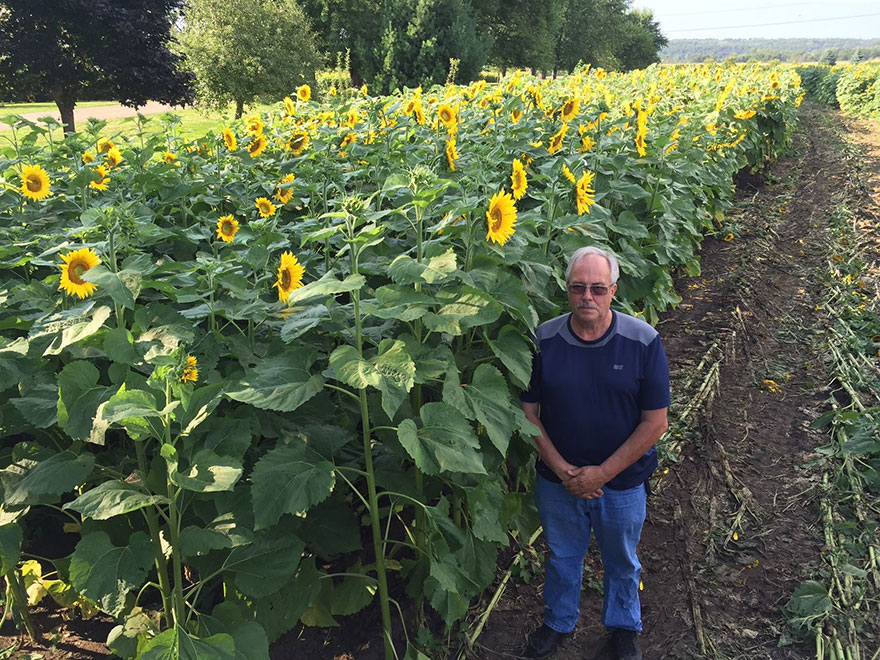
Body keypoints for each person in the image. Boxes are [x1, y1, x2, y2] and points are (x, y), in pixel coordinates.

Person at [520, 246, 670, 660]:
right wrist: (563, 469)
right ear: (567, 290)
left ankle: (623, 628)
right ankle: (558, 621)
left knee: (621, 557)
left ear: (613, 291)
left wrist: (600, 474)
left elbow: (656, 423)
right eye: (578, 287)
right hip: (558, 480)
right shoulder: (544, 339)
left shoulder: (642, 341)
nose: (588, 296)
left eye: (598, 289)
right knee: (562, 555)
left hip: (620, 482)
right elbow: (528, 412)